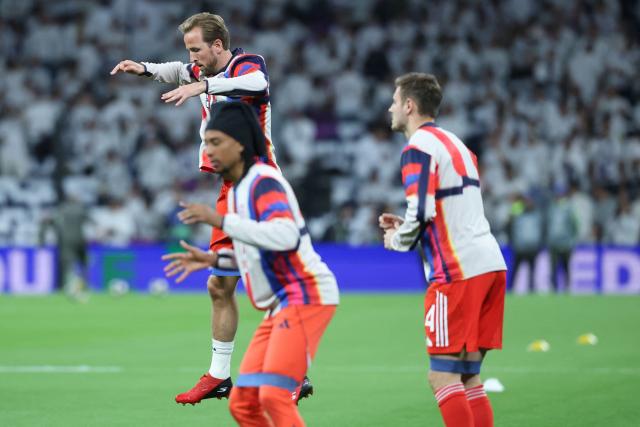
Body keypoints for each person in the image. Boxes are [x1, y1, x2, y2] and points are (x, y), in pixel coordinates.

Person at [110, 12, 307, 405]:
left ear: (218, 45)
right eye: (189, 51)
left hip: (260, 185)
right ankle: (219, 376)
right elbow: (176, 71)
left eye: (197, 49)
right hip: (230, 189)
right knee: (220, 283)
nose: (192, 58)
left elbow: (257, 84)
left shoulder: (248, 66)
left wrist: (201, 84)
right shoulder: (200, 70)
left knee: (272, 284)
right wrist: (143, 68)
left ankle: (294, 372)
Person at [162, 102, 339, 426]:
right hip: (281, 305)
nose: (207, 151)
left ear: (240, 143)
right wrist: (215, 258)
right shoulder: (241, 190)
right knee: (243, 404)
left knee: (272, 395)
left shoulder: (262, 182)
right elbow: (258, 249)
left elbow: (285, 236)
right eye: (206, 143)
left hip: (305, 295)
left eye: (216, 142)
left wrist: (221, 221)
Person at [380, 73, 507, 427]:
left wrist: (398, 240)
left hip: (456, 271)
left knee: (442, 377)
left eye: (395, 100)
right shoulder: (459, 146)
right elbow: (447, 209)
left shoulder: (417, 147)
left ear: (409, 105)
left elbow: (422, 211)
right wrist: (407, 227)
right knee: (468, 377)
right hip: (490, 264)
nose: (390, 107)